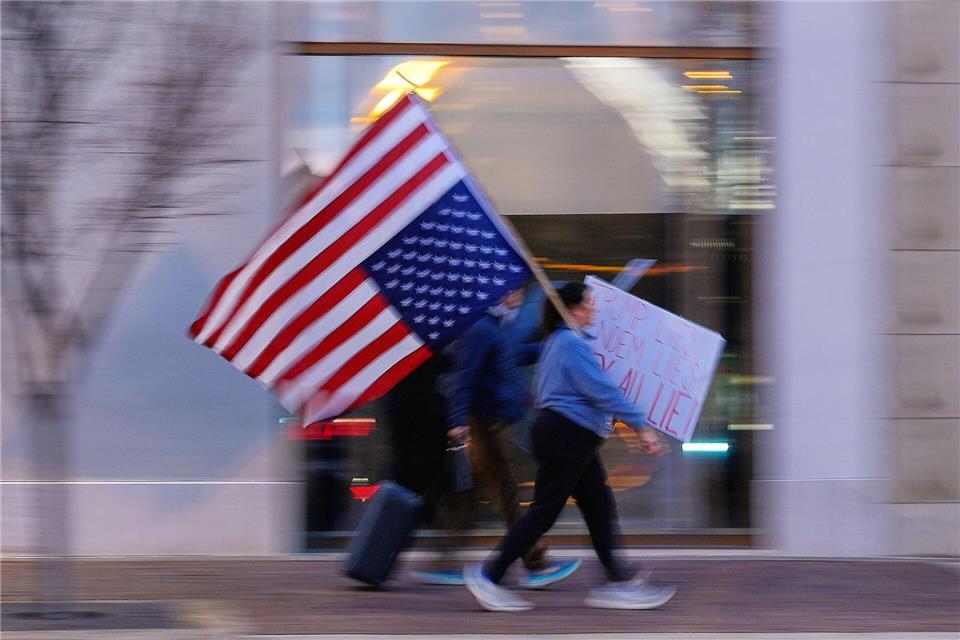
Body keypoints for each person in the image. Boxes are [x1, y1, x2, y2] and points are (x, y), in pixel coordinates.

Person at [463, 282, 677, 612]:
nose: (594, 310)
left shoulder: (560, 341)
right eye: (589, 304)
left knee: (598, 506)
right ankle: (489, 575)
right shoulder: (569, 343)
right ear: (573, 309)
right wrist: (641, 426)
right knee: (546, 511)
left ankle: (616, 582)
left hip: (567, 435)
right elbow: (602, 390)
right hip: (567, 436)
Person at [414, 287, 581, 588]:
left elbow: (516, 355)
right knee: (507, 494)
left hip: (495, 424)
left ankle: (443, 563)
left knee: (469, 496)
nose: (520, 294)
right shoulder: (480, 328)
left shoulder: (495, 327)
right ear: (501, 292)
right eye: (516, 289)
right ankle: (535, 562)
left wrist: (556, 345)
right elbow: (464, 378)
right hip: (485, 426)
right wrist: (457, 420)